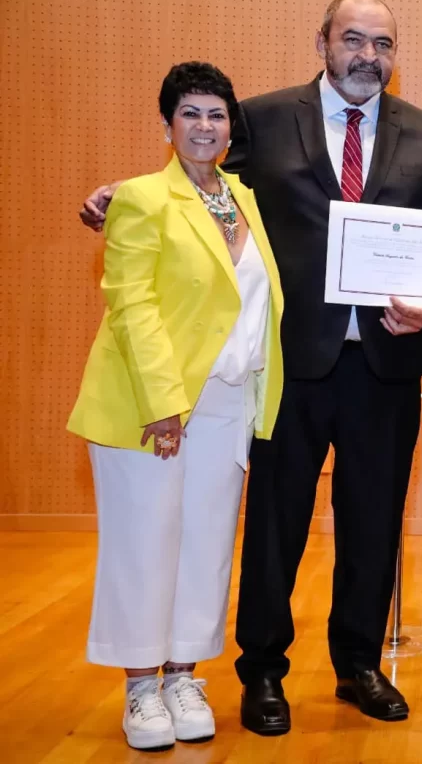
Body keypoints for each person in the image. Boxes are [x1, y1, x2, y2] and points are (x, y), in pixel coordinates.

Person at [80, 0, 422, 734]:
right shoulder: (260, 117)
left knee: (374, 521)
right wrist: (127, 192)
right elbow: (200, 184)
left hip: (386, 361)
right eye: (352, 39)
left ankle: (359, 664)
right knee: (276, 522)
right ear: (322, 42)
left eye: (382, 43)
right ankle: (263, 671)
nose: (367, 56)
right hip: (288, 365)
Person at [68, 62, 284, 750]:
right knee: (144, 544)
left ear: (230, 128)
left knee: (207, 545)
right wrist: (164, 403)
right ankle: (140, 686)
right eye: (189, 113)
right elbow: (132, 306)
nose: (204, 126)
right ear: (167, 125)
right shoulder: (138, 197)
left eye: (216, 115)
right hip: (150, 403)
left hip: (228, 402)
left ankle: (185, 675)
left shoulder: (244, 197)